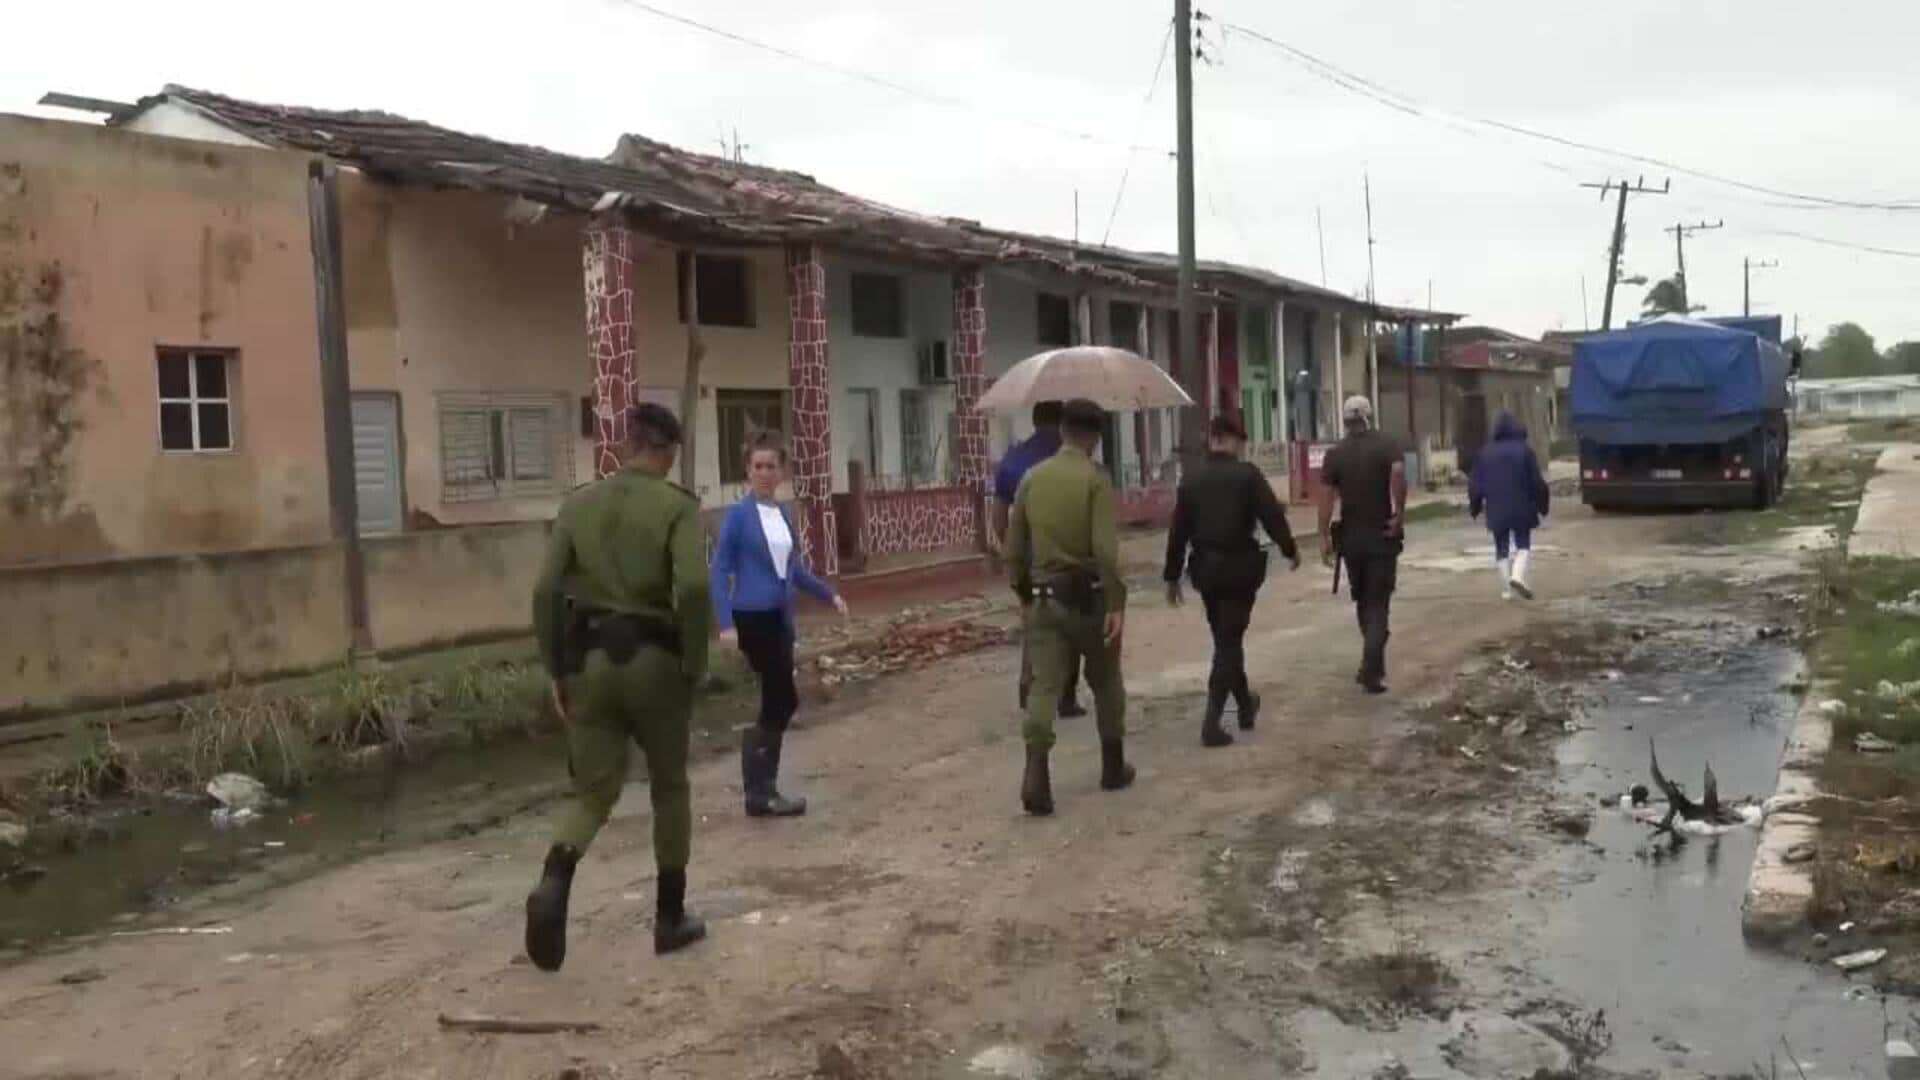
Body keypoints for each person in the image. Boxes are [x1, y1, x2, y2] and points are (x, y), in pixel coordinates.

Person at [525, 403, 710, 971]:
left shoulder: (578, 505)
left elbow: (545, 591)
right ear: (669, 452)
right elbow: (696, 591)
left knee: (592, 794)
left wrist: (558, 668)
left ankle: (555, 881)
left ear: (625, 446)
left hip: (591, 665)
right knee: (669, 788)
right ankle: (669, 918)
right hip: (656, 663)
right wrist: (694, 663)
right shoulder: (676, 508)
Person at [1004, 398, 1133, 816]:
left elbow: (1013, 549)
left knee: (1043, 687)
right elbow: (1105, 551)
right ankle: (1112, 766)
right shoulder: (1095, 480)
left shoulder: (1030, 479)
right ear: (1095, 439)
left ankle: (1035, 772)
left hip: (1043, 599)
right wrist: (1116, 602)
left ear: (1062, 432)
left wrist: (1024, 593)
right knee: (1106, 681)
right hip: (1090, 599)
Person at [711, 434, 849, 818]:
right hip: (752, 617)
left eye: (772, 466)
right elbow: (720, 570)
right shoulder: (738, 516)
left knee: (780, 699)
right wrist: (724, 623)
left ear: (782, 471)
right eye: (758, 466)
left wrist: (828, 595)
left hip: (780, 617)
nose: (765, 473)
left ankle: (761, 788)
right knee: (781, 698)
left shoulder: (783, 514)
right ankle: (760, 790)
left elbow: (795, 569)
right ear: (747, 470)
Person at [1163, 413, 1301, 747]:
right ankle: (1211, 723)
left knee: (1226, 639)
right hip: (1240, 570)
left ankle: (1244, 705)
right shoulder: (1247, 475)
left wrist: (1172, 576)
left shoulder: (1191, 479)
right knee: (1228, 643)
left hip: (1206, 572)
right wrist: (1290, 550)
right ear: (1232, 440)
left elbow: (1178, 531)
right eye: (1240, 442)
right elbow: (1272, 516)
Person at [993, 400, 1088, 720]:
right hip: (1067, 558)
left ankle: (1027, 686)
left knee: (1035, 622)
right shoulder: (1070, 459)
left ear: (1033, 421)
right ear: (1062, 423)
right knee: (1071, 624)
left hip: (1029, 563)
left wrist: (1011, 553)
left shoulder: (1013, 460)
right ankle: (1066, 697)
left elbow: (998, 518)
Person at [1317, 395, 1407, 695]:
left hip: (1351, 540)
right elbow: (1397, 475)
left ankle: (1372, 664)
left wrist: (1323, 535)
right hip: (1382, 535)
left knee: (1363, 601)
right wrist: (1399, 515)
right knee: (1378, 603)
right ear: (1371, 415)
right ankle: (1372, 663)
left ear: (1345, 420)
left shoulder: (1336, 454)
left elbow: (1327, 496)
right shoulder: (1387, 444)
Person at [1469, 411, 1550, 601]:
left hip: (1496, 507)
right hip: (1522, 505)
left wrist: (1475, 506)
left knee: (1501, 547)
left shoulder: (1485, 452)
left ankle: (1506, 591)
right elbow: (1536, 482)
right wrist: (1542, 504)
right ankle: (1517, 576)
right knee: (1523, 543)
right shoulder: (1524, 450)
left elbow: (1475, 484)